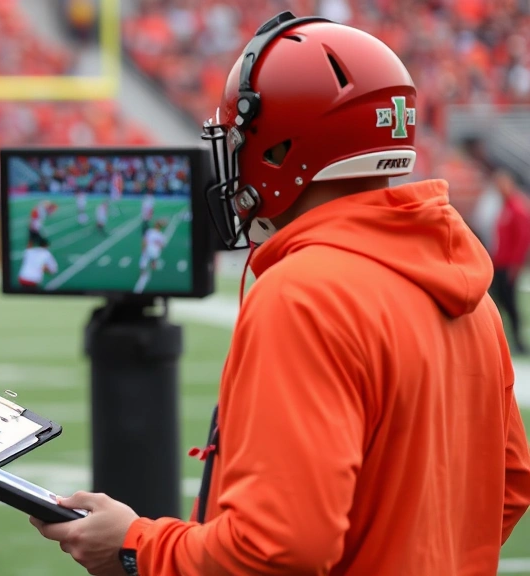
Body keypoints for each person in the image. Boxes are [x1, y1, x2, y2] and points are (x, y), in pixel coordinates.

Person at [31, 12, 530, 576]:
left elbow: (278, 548)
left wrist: (135, 545)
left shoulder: (305, 294)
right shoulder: (470, 294)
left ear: (280, 150)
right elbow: (505, 487)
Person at [489, 169, 530, 354]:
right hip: (499, 264)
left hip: (508, 265)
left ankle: (518, 342)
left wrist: (516, 264)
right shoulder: (504, 207)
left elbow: (522, 239)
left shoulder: (517, 208)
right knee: (497, 302)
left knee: (510, 303)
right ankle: (501, 340)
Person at [133, 219, 166, 294]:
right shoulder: (161, 235)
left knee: (142, 264)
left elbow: (144, 241)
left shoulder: (150, 231)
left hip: (148, 251)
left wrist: (143, 249)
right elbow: (162, 246)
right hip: (154, 252)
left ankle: (143, 274)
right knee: (153, 262)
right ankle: (152, 265)